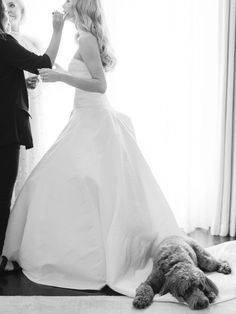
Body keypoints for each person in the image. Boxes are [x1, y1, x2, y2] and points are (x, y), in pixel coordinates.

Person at [1, 0, 183, 296]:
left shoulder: (86, 38)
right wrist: (54, 72)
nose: (64, 3)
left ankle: (85, 257)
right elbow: (83, 75)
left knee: (81, 183)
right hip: (84, 115)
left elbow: (100, 85)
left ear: (80, 7)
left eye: (70, 0)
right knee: (66, 182)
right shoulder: (82, 38)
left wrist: (59, 76)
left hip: (93, 118)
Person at [0, 0, 65, 271]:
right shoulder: (4, 41)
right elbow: (43, 63)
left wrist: (18, 82)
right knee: (4, 193)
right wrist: (57, 30)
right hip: (5, 129)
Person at [6, 0, 46, 202]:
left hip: (28, 108)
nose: (7, 9)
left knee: (26, 162)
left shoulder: (33, 43)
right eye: (4, 5)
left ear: (23, 11)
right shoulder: (5, 41)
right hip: (8, 112)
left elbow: (43, 69)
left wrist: (37, 81)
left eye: (12, 4)